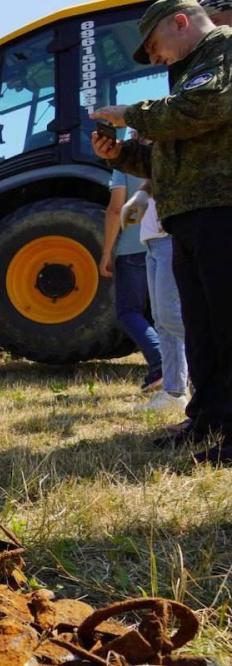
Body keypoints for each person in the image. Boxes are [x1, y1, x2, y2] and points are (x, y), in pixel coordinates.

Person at [91, 0, 232, 461]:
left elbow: (206, 106)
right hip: (189, 215)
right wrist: (118, 155)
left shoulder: (223, 50)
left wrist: (131, 114)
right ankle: (209, 419)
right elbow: (163, 161)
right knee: (203, 328)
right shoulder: (185, 78)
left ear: (180, 21)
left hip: (221, 208)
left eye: (153, 47)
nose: (154, 58)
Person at [101, 145, 163, 392]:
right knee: (162, 314)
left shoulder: (124, 165)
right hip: (163, 242)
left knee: (129, 311)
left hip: (133, 248)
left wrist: (107, 251)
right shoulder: (164, 155)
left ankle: (161, 365)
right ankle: (177, 371)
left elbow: (116, 209)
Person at [124, 185, 190, 413]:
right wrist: (140, 197)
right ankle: (174, 392)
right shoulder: (150, 150)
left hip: (168, 238)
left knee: (171, 315)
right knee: (161, 319)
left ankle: (210, 376)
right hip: (152, 241)